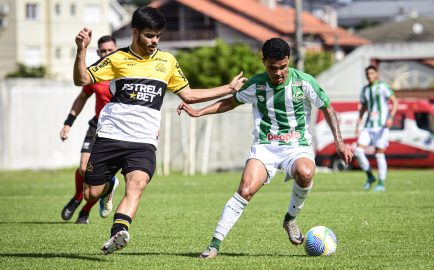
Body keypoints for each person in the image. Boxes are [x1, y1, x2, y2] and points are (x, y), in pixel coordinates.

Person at [73, 6, 247, 255]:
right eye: (149, 35)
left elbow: (188, 95)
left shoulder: (167, 62)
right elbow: (82, 79)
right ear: (135, 33)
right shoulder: (117, 59)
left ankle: (118, 232)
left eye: (158, 36)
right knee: (91, 192)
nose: (154, 41)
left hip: (143, 140)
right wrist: (81, 50)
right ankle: (108, 187)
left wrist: (228, 88)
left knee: (137, 184)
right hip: (111, 134)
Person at [177, 37, 353, 259]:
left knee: (306, 173)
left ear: (288, 60)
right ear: (263, 62)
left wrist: (339, 141)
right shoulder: (257, 84)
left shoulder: (305, 82)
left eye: (282, 67)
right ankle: (214, 245)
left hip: (296, 146)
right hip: (265, 147)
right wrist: (199, 112)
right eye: (272, 67)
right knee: (245, 190)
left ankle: (290, 219)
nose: (278, 72)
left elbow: (328, 108)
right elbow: (231, 102)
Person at [60, 35, 118, 224]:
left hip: (119, 128)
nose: (106, 54)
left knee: (97, 183)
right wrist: (68, 122)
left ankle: (85, 211)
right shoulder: (95, 73)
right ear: (98, 52)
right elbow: (82, 97)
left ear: (117, 50)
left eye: (110, 50)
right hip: (97, 125)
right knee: (84, 168)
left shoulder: (126, 72)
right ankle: (78, 198)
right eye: (102, 51)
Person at [354, 65, 398, 192]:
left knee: (379, 153)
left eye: (372, 73)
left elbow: (395, 102)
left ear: (377, 74)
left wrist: (391, 117)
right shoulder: (365, 90)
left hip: (381, 126)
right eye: (367, 73)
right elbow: (363, 108)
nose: (369, 75)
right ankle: (369, 176)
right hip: (368, 126)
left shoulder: (383, 86)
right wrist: (358, 125)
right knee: (358, 151)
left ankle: (381, 183)